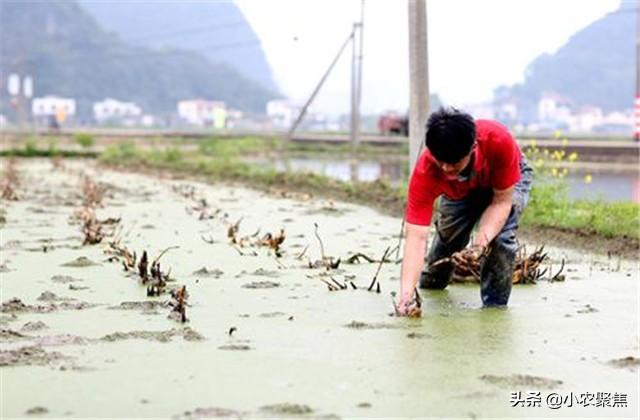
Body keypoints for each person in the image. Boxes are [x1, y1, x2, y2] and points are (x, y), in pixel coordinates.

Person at [396, 107, 533, 316]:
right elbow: (416, 237)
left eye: (453, 162)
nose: (446, 169)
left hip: (505, 181)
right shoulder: (428, 170)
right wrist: (405, 296)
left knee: (501, 239)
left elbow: (501, 203)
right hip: (459, 190)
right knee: (449, 237)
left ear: (473, 148)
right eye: (439, 161)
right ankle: (432, 283)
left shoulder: (499, 140)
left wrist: (479, 245)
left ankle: (494, 309)